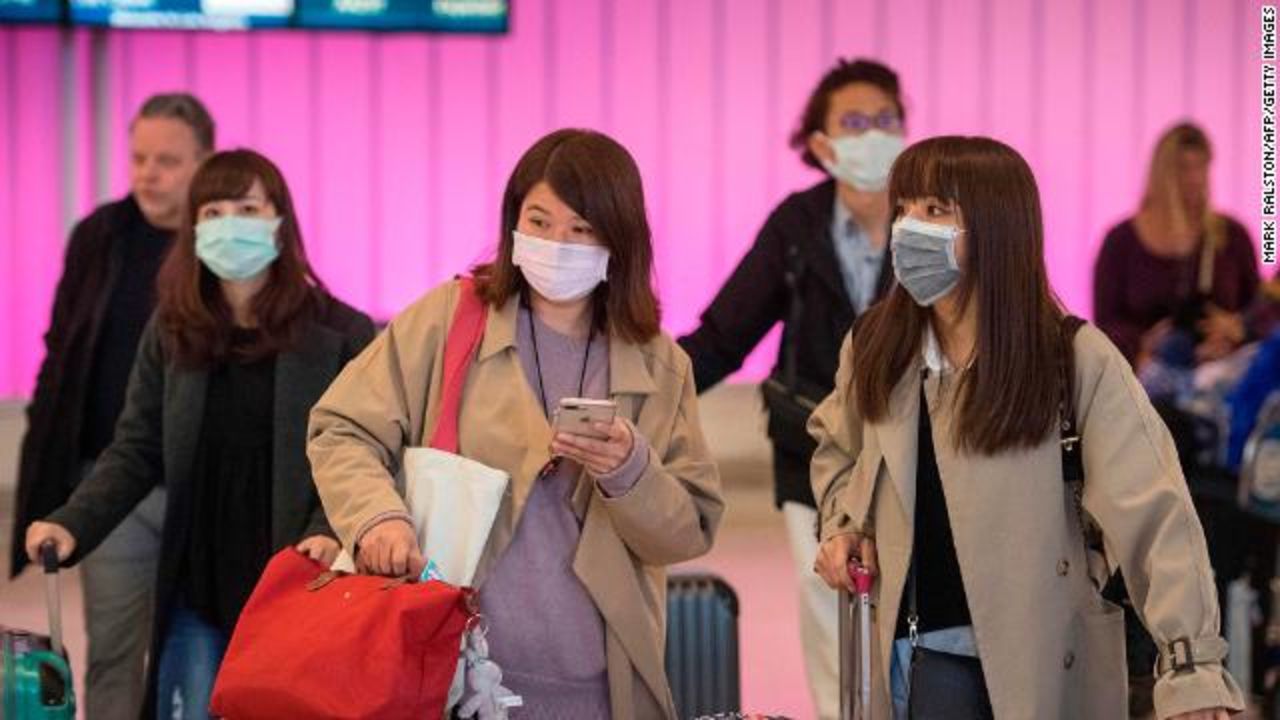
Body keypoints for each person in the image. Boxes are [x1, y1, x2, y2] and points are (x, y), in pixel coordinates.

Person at [810, 136, 1243, 719]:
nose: (910, 228)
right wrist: (842, 524)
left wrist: (1193, 670)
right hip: (918, 654)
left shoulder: (1072, 357)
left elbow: (1155, 514)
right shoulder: (875, 348)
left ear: (996, 228)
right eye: (905, 208)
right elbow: (838, 449)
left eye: (936, 210)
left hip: (1044, 657)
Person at [307, 128, 724, 719]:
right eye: (539, 221)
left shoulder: (659, 364)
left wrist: (630, 472)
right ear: (512, 223)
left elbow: (686, 532)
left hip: (601, 685)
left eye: (582, 229)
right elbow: (341, 427)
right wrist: (378, 516)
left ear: (619, 240)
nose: (558, 243)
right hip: (449, 672)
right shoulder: (448, 321)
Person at [24, 149, 376, 720]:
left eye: (247, 207)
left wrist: (327, 530)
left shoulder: (341, 333)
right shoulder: (173, 331)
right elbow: (137, 448)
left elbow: (368, 453)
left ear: (280, 221)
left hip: (295, 578)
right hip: (198, 579)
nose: (229, 224)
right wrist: (72, 521)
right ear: (192, 230)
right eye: (213, 211)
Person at [677, 58, 904, 718]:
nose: (873, 135)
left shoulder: (930, 222)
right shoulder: (797, 227)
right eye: (855, 122)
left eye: (886, 120)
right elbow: (724, 334)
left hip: (914, 457)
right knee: (831, 608)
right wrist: (643, 387)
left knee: (908, 615)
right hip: (811, 451)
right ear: (822, 143)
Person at [10, 92, 213, 720]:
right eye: (139, 158)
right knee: (114, 653)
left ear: (204, 160)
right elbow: (63, 350)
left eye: (167, 161)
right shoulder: (101, 236)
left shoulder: (227, 241)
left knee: (200, 648)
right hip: (110, 479)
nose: (149, 173)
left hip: (200, 486)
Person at [1094, 122, 1259, 373]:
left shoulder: (1231, 236)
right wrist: (1142, 342)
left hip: (1220, 376)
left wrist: (1236, 328)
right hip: (1144, 377)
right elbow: (1106, 321)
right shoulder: (1121, 242)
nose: (1194, 179)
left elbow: (1258, 310)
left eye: (1200, 167)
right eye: (1183, 169)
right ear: (1161, 174)